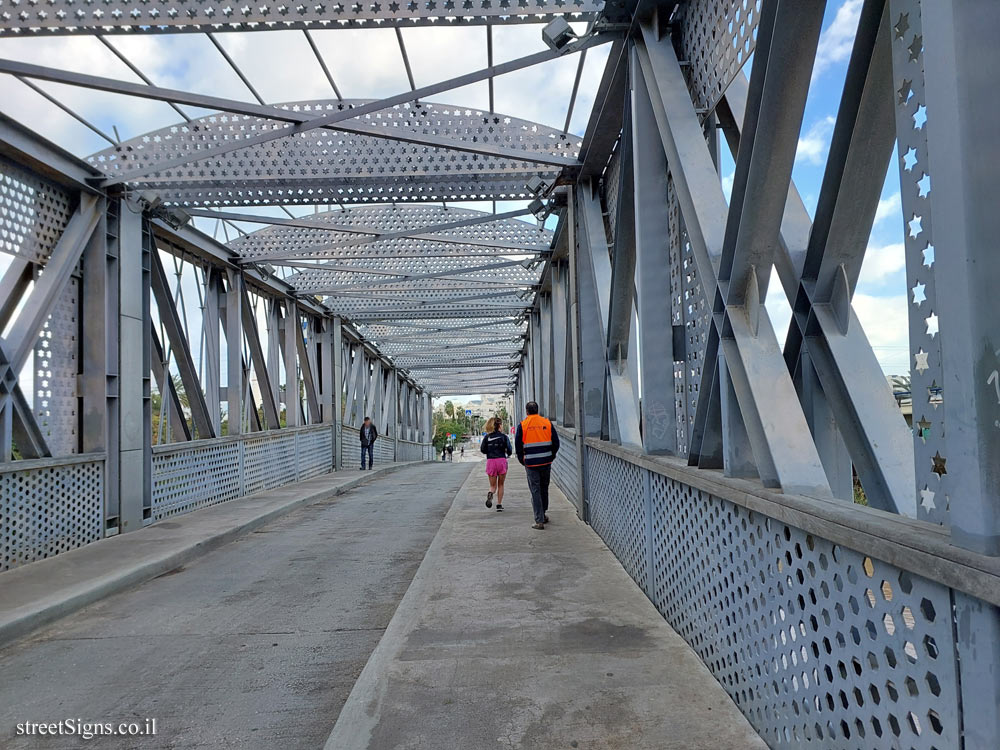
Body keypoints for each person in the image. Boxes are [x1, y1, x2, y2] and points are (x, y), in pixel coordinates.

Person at [515, 401, 559, 530]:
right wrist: (551, 456)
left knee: (535, 490)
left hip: (531, 463)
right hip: (546, 461)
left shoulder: (523, 426)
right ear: (537, 410)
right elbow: (556, 442)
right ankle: (543, 513)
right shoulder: (547, 423)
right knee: (544, 488)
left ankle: (539, 520)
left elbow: (518, 446)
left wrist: (522, 460)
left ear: (527, 411)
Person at [480, 417, 512, 512]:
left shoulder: (487, 437)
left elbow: (483, 450)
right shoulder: (504, 437)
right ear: (499, 426)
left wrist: (489, 451)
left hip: (491, 462)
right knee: (501, 484)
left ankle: (490, 493)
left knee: (493, 486)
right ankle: (499, 504)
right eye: (501, 424)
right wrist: (506, 452)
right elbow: (510, 450)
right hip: (501, 461)